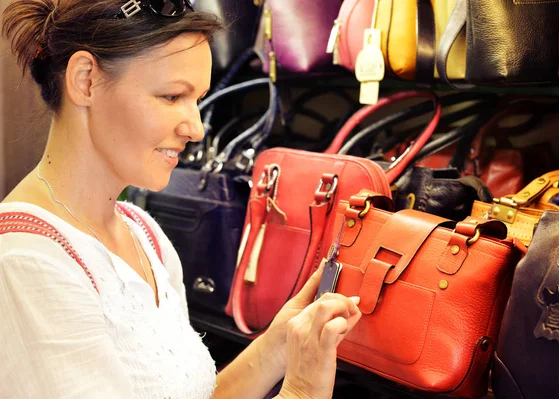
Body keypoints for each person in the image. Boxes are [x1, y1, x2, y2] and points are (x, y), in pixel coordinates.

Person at [0, 0, 362, 398]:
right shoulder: (26, 264)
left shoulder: (143, 233)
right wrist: (301, 391)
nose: (196, 129)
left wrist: (277, 345)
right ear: (85, 80)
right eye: (173, 97)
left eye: (198, 99)